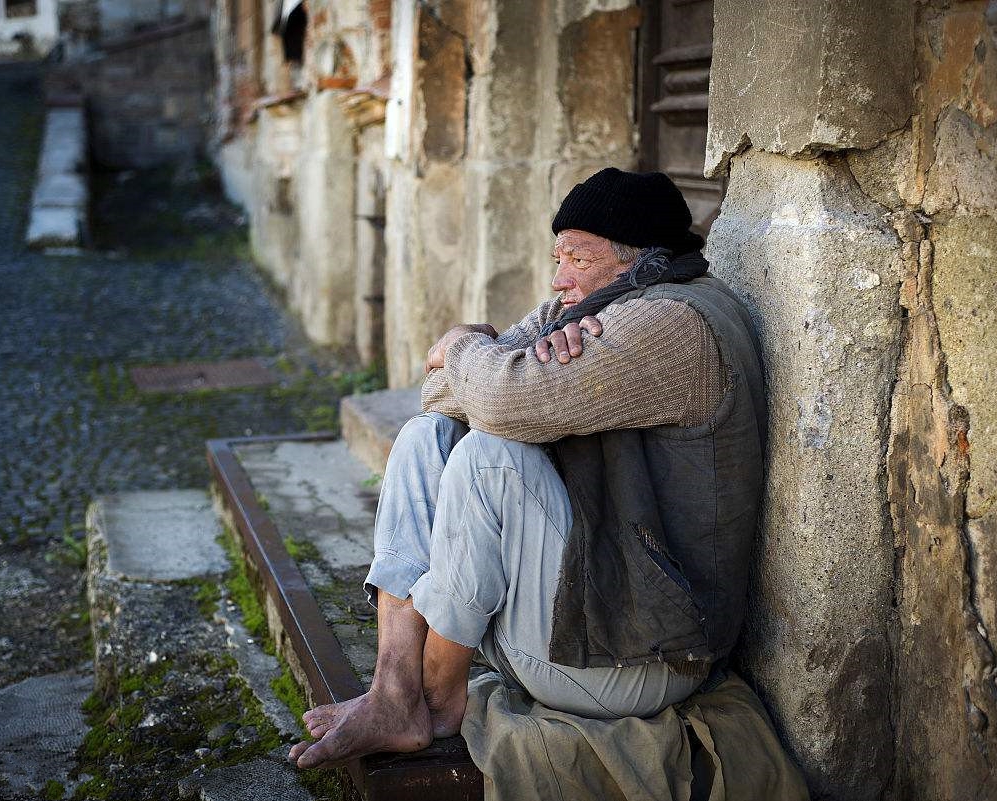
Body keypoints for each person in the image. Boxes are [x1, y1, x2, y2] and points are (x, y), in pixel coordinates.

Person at [289, 168, 767, 770]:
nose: (558, 277)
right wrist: (493, 365)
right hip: (585, 612)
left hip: (639, 663)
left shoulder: (669, 324)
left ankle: (436, 700)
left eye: (577, 258)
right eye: (556, 255)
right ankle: (393, 689)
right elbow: (436, 395)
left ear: (640, 260)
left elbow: (490, 398)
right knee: (425, 438)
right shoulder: (588, 305)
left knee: (493, 455)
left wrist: (464, 343)